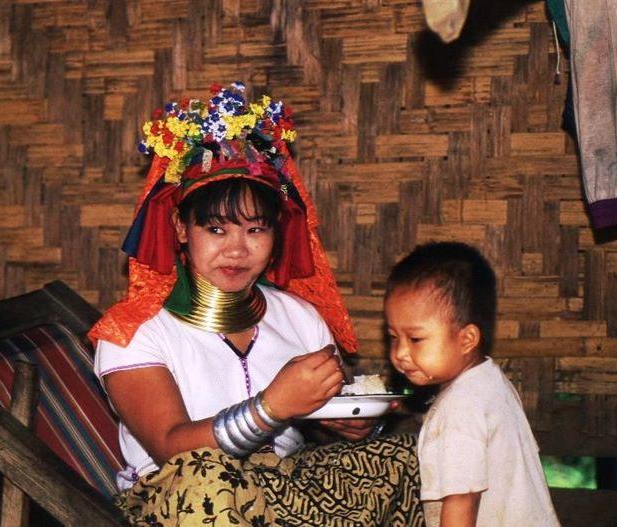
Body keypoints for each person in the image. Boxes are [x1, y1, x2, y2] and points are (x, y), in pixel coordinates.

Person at [89, 82, 425, 526]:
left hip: (284, 490)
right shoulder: (133, 331)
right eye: (216, 229)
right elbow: (171, 448)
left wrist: (358, 423)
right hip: (181, 501)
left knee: (407, 456)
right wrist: (271, 407)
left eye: (255, 230)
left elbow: (332, 417)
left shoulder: (300, 318)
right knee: (204, 478)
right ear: (181, 227)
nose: (236, 250)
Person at [384, 241, 560, 527]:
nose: (401, 352)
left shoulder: (460, 409)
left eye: (415, 339)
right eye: (393, 337)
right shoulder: (489, 382)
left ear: (466, 339)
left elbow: (461, 503)